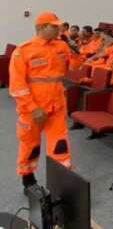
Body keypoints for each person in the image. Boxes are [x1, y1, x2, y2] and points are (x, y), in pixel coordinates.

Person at [9, 11, 76, 191]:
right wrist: (32, 108)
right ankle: (28, 179)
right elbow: (17, 85)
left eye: (58, 26)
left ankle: (61, 183)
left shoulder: (62, 46)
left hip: (57, 106)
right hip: (33, 109)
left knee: (60, 146)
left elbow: (75, 66)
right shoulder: (22, 51)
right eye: (53, 26)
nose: (58, 29)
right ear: (40, 28)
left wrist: (76, 51)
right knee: (31, 146)